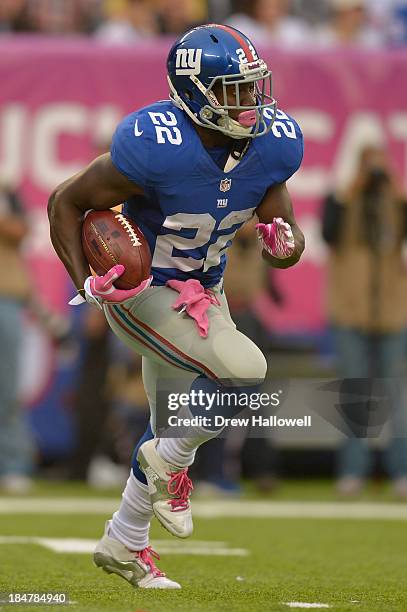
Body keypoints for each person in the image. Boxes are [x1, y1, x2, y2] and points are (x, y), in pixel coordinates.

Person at [48, 24, 304, 588]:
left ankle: (124, 540)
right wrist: (85, 283)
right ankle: (172, 462)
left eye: (253, 87)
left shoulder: (274, 141)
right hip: (143, 292)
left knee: (170, 422)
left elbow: (276, 208)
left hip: (203, 292)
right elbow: (64, 200)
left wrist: (286, 239)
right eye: (234, 91)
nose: (251, 104)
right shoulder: (155, 142)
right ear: (194, 93)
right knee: (244, 371)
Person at [321, 144, 407, 497]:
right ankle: (352, 471)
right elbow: (328, 234)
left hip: (392, 310)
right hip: (350, 311)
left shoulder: (395, 203)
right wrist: (351, 188)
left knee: (395, 394)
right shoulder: (341, 199)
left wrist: (396, 190)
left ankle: (400, 471)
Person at [0, 184, 34, 493]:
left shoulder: (8, 191)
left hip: (5, 298)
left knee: (7, 386)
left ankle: (12, 463)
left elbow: (22, 230)